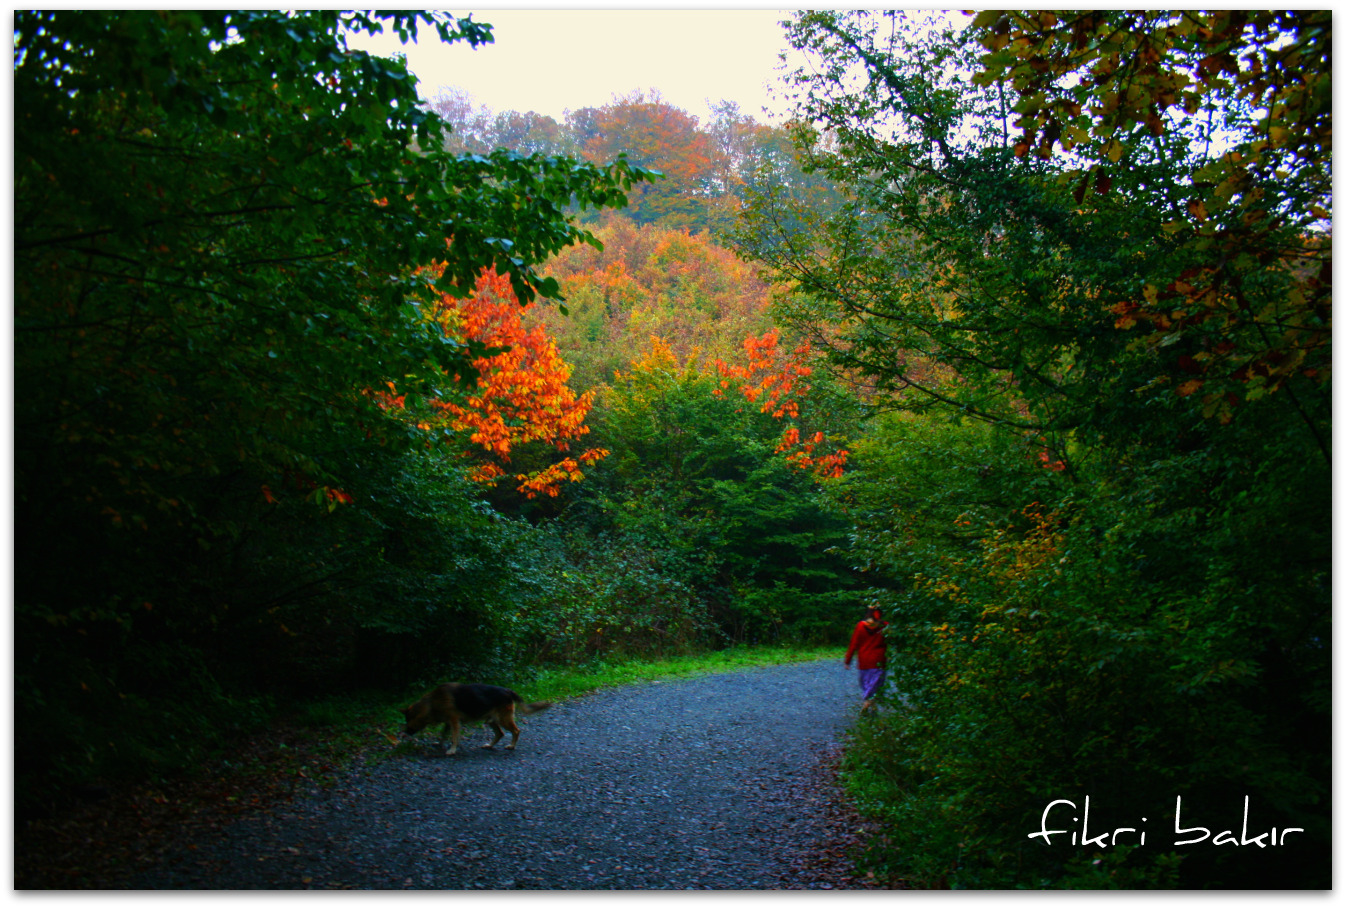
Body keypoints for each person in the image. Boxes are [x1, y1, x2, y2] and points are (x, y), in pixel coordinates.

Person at [844, 605, 888, 711]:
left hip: (864, 660)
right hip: (879, 660)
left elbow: (854, 643)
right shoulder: (885, 626)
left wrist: (848, 660)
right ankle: (870, 702)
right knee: (876, 683)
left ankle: (870, 704)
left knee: (866, 682)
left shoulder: (860, 626)